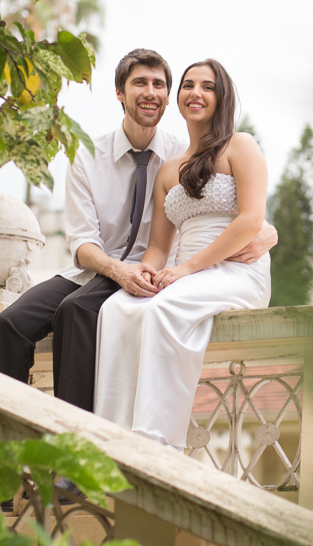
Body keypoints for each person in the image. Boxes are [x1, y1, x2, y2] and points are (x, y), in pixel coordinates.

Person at [0, 50, 277, 413]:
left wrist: (269, 233)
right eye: (139, 83)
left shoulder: (183, 154)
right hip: (98, 268)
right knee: (7, 325)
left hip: (155, 268)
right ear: (120, 93)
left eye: (159, 85)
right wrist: (115, 269)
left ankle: (76, 438)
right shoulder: (87, 157)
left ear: (169, 98)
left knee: (76, 312)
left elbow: (235, 209)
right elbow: (82, 243)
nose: (150, 92)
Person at [93, 60, 271, 450]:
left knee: (161, 310)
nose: (195, 92)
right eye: (188, 85)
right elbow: (158, 247)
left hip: (235, 270)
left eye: (207, 86)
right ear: (178, 99)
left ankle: (155, 441)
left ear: (221, 97)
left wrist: (187, 268)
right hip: (186, 273)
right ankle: (110, 438)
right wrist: (145, 273)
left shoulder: (240, 145)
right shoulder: (170, 169)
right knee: (118, 309)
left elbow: (251, 221)